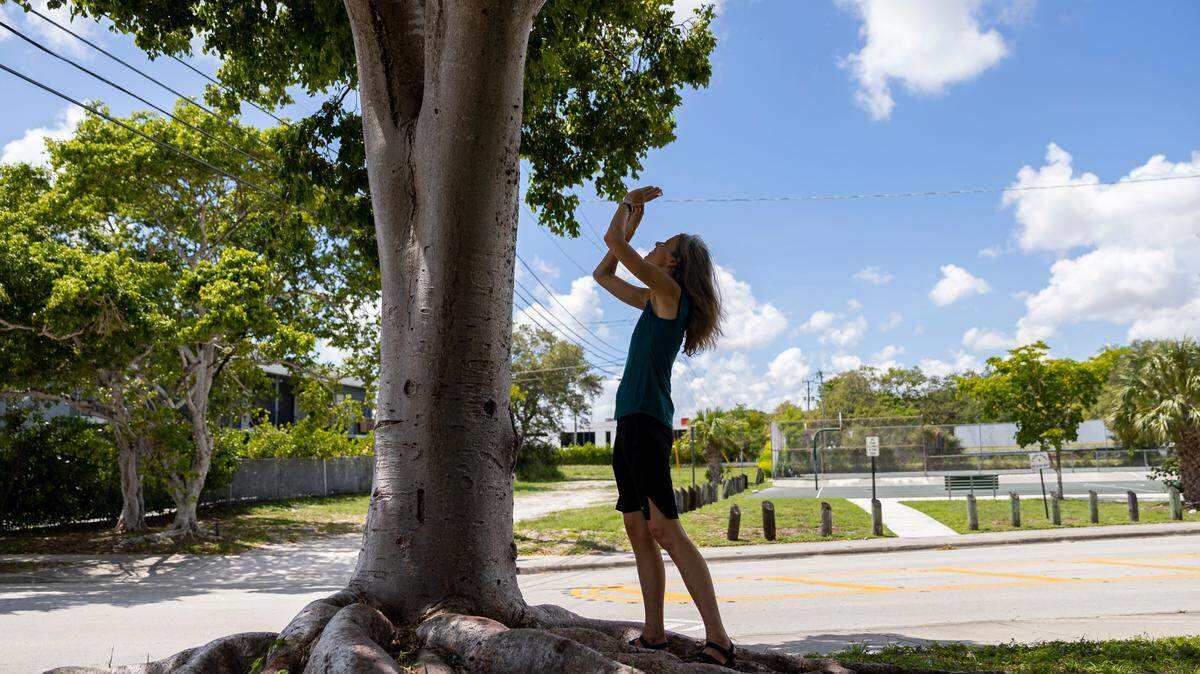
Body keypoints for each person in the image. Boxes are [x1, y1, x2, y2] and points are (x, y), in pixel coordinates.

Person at [591, 185, 733, 667]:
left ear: (670, 264)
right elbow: (602, 272)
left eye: (660, 246)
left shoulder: (670, 295)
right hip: (630, 420)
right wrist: (628, 230)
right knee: (637, 527)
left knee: (666, 530)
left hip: (648, 423)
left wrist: (627, 211)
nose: (652, 248)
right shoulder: (654, 301)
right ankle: (654, 634)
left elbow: (616, 244)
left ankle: (719, 639)